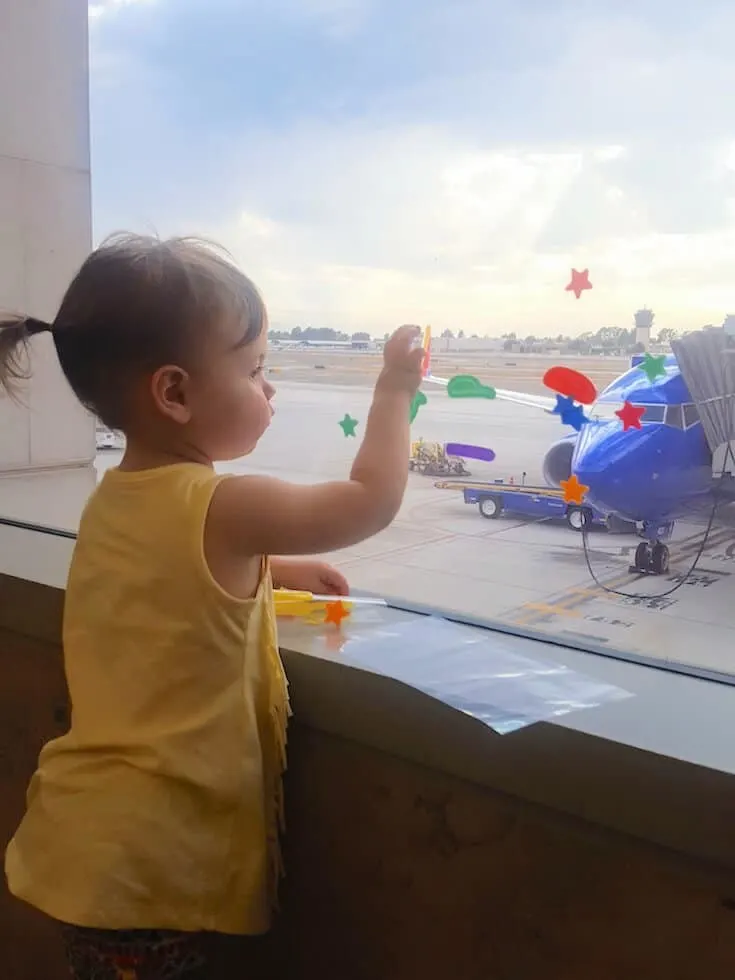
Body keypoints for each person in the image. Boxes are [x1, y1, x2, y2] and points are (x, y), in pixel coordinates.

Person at [0, 234, 424, 979]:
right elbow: (368, 503)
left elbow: (168, 571)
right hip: (151, 868)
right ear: (175, 393)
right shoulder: (225, 502)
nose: (270, 390)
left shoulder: (116, 498)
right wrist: (393, 391)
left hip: (101, 842)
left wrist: (270, 564)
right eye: (256, 368)